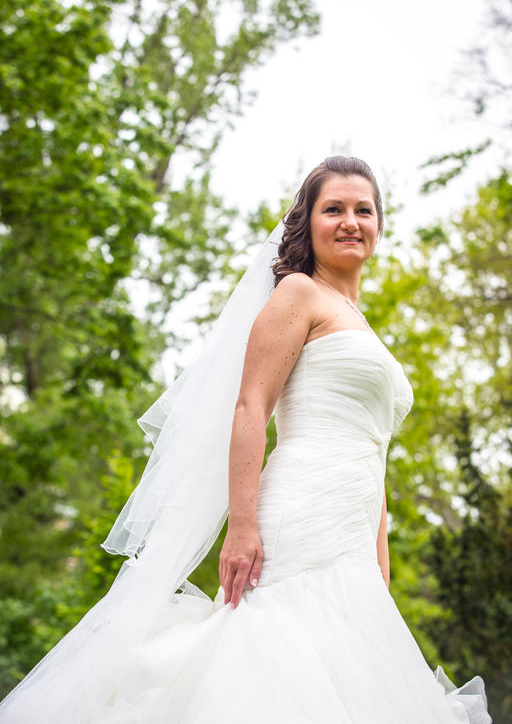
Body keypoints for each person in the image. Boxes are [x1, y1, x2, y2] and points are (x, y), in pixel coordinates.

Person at [0, 156, 492, 724]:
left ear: (379, 224)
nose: (350, 221)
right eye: (333, 209)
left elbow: (372, 449)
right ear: (307, 222)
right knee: (272, 660)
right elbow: (250, 407)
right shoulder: (299, 294)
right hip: (297, 511)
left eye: (364, 210)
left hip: (351, 532)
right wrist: (242, 524)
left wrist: (379, 561)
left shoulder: (360, 321)